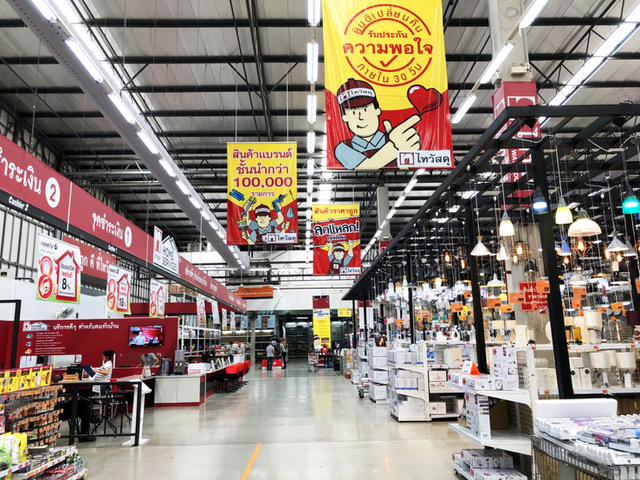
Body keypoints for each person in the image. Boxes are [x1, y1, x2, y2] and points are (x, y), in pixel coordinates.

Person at [334, 78, 421, 170]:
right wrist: (395, 147)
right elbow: (364, 167)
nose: (361, 117)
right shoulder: (343, 149)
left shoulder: (393, 138)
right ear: (344, 117)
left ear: (377, 110)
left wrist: (405, 154)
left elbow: (404, 172)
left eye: (365, 109)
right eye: (353, 113)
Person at [53, 374, 97, 443]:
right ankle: (85, 431)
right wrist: (55, 390)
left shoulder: (59, 388)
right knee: (84, 406)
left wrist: (68, 399)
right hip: (59, 411)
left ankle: (85, 432)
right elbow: (54, 403)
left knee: (84, 408)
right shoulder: (52, 389)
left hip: (66, 408)